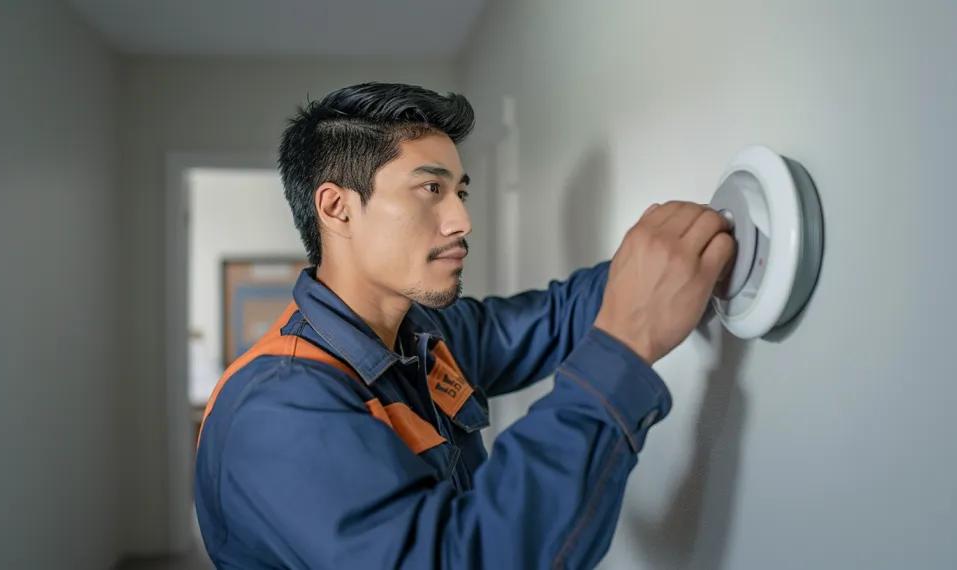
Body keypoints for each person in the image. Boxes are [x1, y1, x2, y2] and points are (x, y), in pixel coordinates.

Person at [194, 82, 736, 569]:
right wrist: (624, 347)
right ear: (337, 208)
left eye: (461, 191)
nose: (462, 219)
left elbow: (552, 319)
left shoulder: (425, 337)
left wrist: (667, 256)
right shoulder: (278, 410)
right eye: (431, 189)